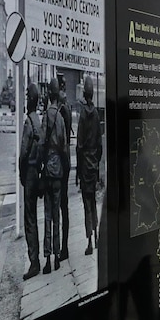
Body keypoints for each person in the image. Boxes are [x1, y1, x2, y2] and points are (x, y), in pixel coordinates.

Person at [40, 79, 67, 274]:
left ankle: (47, 259)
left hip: (47, 171)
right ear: (58, 96)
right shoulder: (61, 119)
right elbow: (65, 148)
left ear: (49, 95)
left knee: (47, 215)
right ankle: (57, 256)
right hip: (58, 171)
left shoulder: (45, 117)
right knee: (56, 214)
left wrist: (43, 163)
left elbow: (41, 144)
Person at [75, 75, 102, 256]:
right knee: (93, 201)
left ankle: (90, 241)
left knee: (86, 202)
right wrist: (97, 163)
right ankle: (98, 235)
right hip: (94, 164)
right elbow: (100, 144)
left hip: (85, 164)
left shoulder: (83, 114)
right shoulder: (97, 114)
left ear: (85, 94)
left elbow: (78, 145)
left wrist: (78, 169)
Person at [18, 83, 42, 281]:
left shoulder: (28, 122)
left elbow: (23, 152)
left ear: (30, 100)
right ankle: (36, 259)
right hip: (38, 171)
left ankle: (34, 262)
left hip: (29, 173)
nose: (26, 100)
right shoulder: (39, 121)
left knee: (30, 219)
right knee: (34, 216)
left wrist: (21, 172)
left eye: (27, 97)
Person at [57, 78, 73, 261]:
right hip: (67, 157)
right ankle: (64, 246)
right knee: (64, 205)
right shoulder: (67, 106)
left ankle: (63, 247)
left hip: (62, 158)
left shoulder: (61, 109)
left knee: (61, 205)